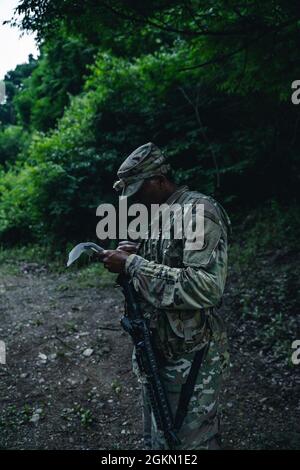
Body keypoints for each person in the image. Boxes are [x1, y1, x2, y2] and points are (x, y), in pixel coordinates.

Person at [99, 142, 231, 450]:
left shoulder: (198, 212)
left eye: (138, 191)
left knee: (190, 442)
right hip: (160, 349)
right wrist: (139, 252)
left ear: (159, 179)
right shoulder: (161, 215)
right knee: (160, 439)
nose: (134, 201)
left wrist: (133, 264)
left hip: (191, 355)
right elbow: (169, 265)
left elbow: (206, 286)